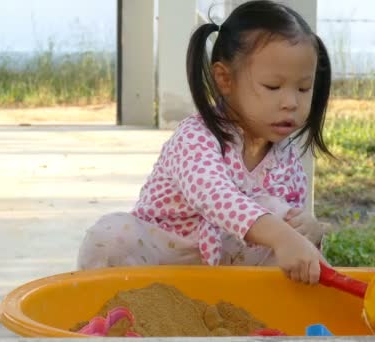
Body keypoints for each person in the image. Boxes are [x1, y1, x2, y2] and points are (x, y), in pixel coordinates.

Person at [77, 0, 333, 285]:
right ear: (225, 79)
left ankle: (266, 315)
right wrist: (281, 234)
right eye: (273, 87)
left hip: (224, 274)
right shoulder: (196, 136)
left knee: (289, 230)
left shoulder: (287, 160)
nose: (290, 102)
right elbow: (213, 195)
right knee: (110, 235)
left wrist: (304, 228)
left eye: (303, 88)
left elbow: (285, 226)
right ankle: (107, 306)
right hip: (162, 265)